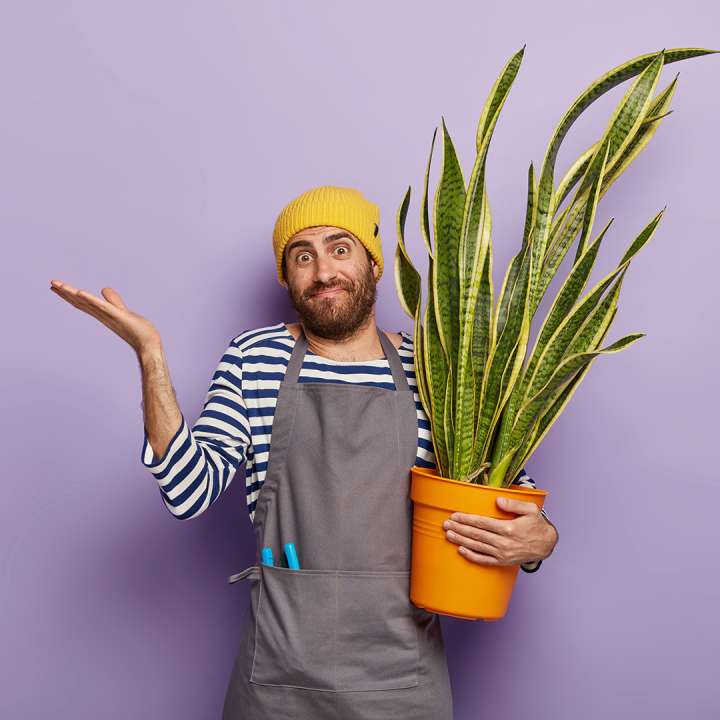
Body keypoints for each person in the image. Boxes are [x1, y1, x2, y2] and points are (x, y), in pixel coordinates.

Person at [49, 185, 558, 719]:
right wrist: (150, 355)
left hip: (402, 688)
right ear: (286, 276)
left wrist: (539, 535)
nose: (322, 272)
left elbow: (506, 491)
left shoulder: (433, 371)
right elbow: (185, 490)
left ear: (374, 263)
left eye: (341, 249)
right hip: (277, 688)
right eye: (302, 256)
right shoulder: (255, 358)